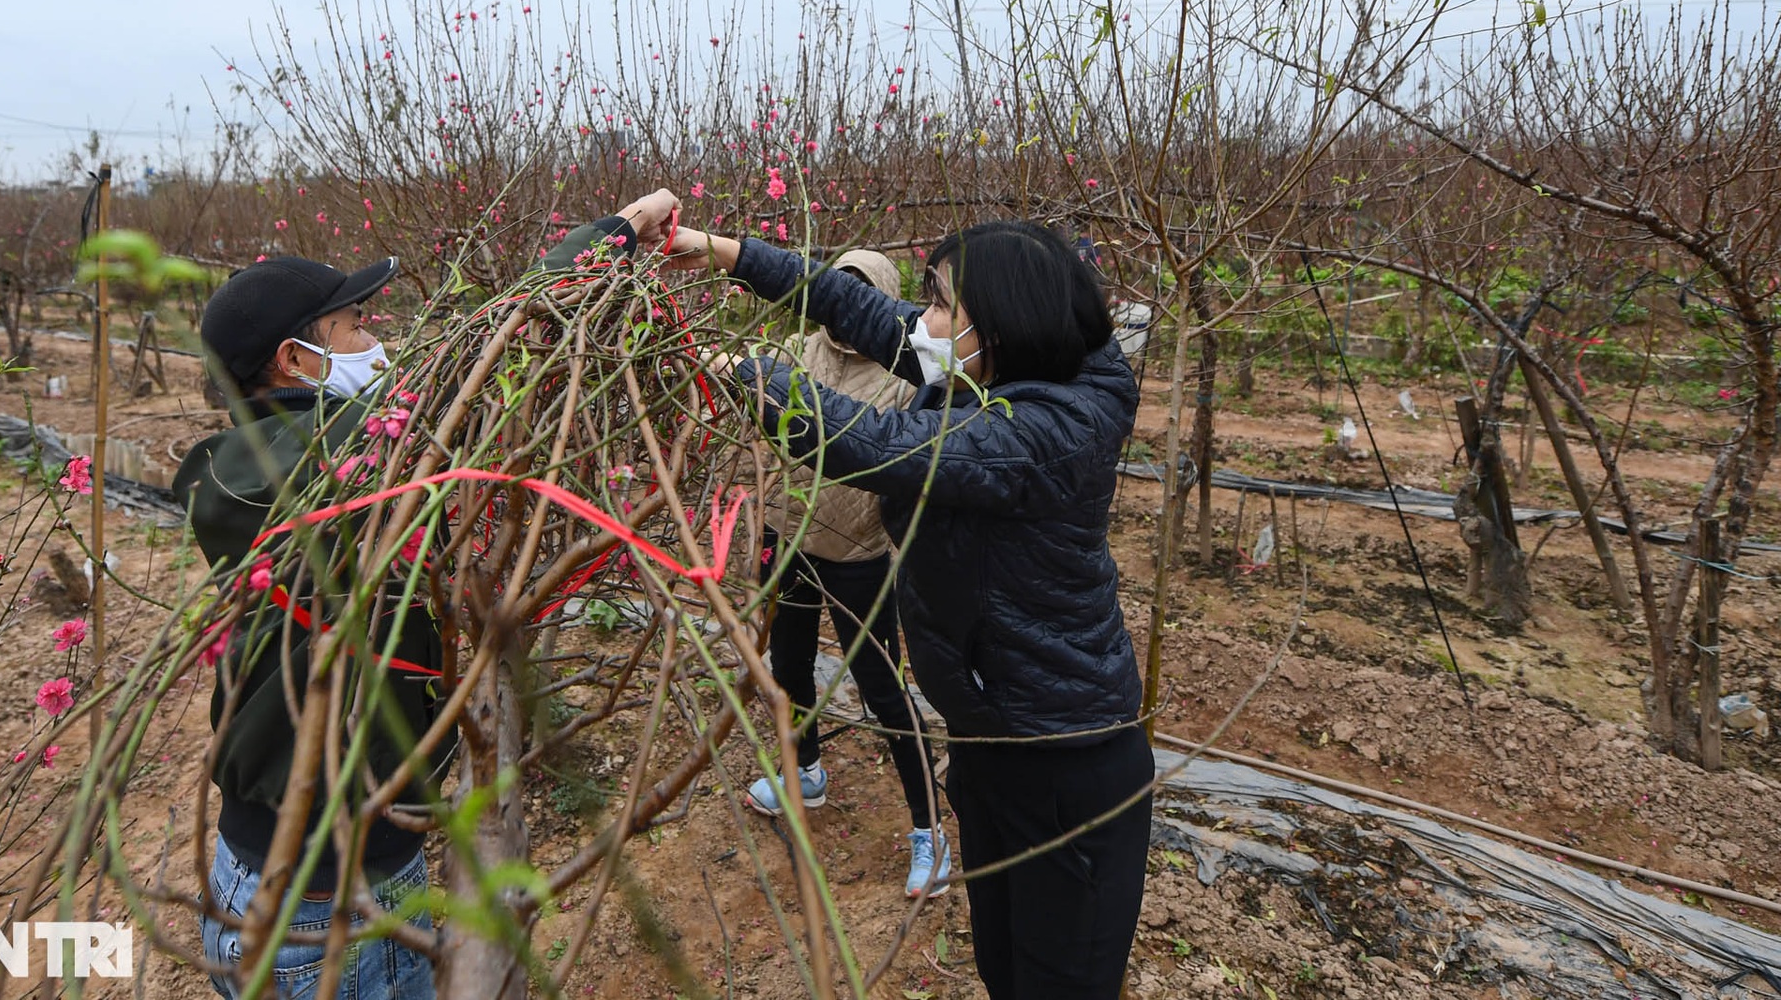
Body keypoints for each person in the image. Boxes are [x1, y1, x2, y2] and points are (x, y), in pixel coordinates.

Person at [175, 192, 679, 1000]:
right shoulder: (296, 466)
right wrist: (616, 233)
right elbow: (472, 359)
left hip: (281, 877)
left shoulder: (286, 456)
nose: (380, 341)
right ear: (296, 359)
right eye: (358, 327)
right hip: (335, 908)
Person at [664, 211, 1153, 1000]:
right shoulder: (990, 364)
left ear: (999, 324)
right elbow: (862, 311)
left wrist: (748, 375)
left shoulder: (1051, 428)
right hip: (994, 735)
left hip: (1067, 764)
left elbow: (878, 444)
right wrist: (724, 252)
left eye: (940, 304)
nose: (920, 321)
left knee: (1059, 984)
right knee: (1003, 964)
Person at [745, 248, 949, 899]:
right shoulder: (799, 347)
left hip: (857, 554)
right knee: (790, 666)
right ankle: (804, 771)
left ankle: (930, 832)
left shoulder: (906, 377)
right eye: (835, 290)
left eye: (858, 295)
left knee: (883, 691)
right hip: (788, 536)